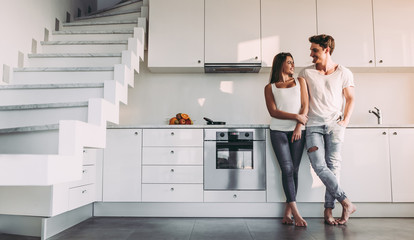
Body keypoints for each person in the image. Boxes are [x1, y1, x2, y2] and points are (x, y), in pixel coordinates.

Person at [298, 34, 357, 225]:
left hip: (335, 126)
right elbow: (303, 103)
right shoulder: (305, 73)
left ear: (326, 50)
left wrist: (345, 121)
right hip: (313, 126)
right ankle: (346, 201)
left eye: (314, 50)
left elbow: (350, 98)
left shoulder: (344, 72)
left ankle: (328, 210)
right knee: (319, 166)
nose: (311, 54)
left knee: (334, 168)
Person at [265, 52, 309, 227]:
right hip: (278, 131)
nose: (292, 65)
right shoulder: (270, 87)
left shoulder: (300, 82)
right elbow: (273, 112)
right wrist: (296, 117)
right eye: (289, 62)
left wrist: (299, 124)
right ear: (280, 65)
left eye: (293, 62)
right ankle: (296, 214)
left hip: (298, 131)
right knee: (287, 169)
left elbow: (305, 106)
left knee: (295, 170)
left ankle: (287, 213)